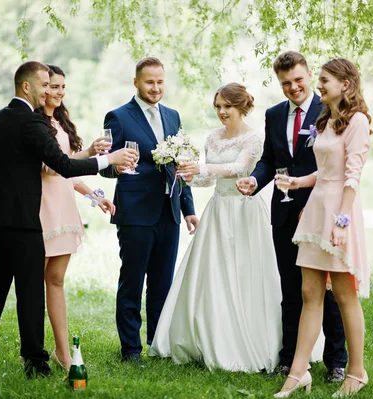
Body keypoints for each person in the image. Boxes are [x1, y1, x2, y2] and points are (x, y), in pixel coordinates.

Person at [0, 61, 134, 378]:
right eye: (44, 85)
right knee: (31, 292)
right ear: (26, 87)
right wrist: (107, 160)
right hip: (27, 221)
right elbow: (63, 165)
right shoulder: (30, 123)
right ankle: (36, 362)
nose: (49, 91)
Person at [149, 83, 282, 372]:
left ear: (241, 107)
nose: (222, 112)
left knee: (246, 274)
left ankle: (249, 341)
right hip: (218, 209)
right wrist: (187, 175)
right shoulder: (212, 137)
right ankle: (206, 336)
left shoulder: (253, 138)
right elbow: (208, 179)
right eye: (218, 107)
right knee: (212, 273)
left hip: (245, 211)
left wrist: (202, 169)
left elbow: (238, 168)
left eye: (227, 107)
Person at [236, 51, 347, 380]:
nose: (293, 87)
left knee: (325, 290)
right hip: (283, 212)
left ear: (310, 75)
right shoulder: (273, 114)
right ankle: (289, 359)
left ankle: (337, 362)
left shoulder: (329, 110)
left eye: (298, 80)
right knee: (290, 288)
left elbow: (333, 167)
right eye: (286, 83)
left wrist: (311, 207)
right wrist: (255, 179)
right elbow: (270, 160)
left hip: (318, 213)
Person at [273, 58, 372, 397]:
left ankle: (356, 372)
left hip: (339, 214)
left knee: (345, 295)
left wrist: (342, 221)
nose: (320, 85)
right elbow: (325, 171)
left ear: (345, 84)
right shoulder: (326, 120)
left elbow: (352, 175)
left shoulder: (357, 121)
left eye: (325, 80)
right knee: (309, 294)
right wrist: (298, 182)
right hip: (316, 210)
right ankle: (298, 373)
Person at [99, 57, 199, 364]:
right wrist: (120, 167)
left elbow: (180, 166)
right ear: (136, 83)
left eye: (159, 82)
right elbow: (106, 167)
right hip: (135, 213)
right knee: (132, 282)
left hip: (168, 213)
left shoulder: (173, 116)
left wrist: (188, 209)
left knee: (162, 284)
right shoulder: (117, 116)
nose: (155, 88)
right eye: (149, 82)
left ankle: (158, 344)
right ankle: (131, 350)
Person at [37, 64, 116, 370]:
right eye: (52, 86)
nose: (57, 92)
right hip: (41, 210)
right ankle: (34, 351)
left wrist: (96, 197)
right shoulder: (35, 124)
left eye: (61, 87)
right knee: (35, 284)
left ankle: (63, 353)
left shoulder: (60, 122)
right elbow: (52, 168)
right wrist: (96, 157)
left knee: (56, 281)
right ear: (40, 86)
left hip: (64, 210)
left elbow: (69, 174)